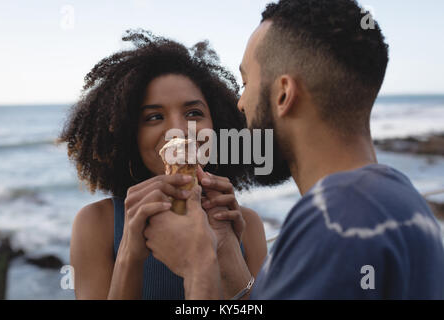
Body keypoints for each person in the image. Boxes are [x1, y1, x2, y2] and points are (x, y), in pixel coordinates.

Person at [142, 0, 444, 299]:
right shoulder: (405, 203)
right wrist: (228, 256)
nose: (240, 103)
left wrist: (197, 266)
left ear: (284, 94)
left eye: (246, 83)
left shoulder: (335, 223)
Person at [58, 29, 267, 299]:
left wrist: (227, 254)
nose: (179, 130)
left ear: (217, 124)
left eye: (194, 113)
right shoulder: (97, 224)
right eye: (154, 117)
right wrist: (130, 254)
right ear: (128, 133)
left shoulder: (244, 223)